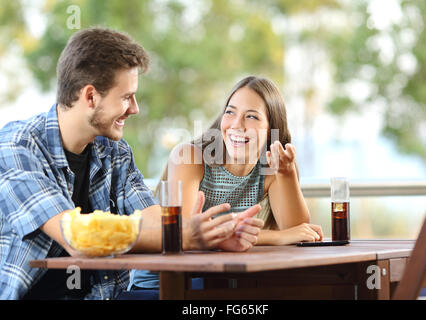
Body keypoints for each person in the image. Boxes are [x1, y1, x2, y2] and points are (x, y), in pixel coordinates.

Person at [0, 27, 264, 300]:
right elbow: (76, 236)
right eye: (126, 97)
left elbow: (153, 221)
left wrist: (213, 236)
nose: (135, 108)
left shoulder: (114, 151)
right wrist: (183, 236)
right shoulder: (17, 146)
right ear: (90, 96)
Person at [129, 76, 323, 291]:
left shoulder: (271, 166)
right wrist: (275, 238)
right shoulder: (190, 156)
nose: (236, 125)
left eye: (251, 117)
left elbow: (297, 230)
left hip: (218, 279)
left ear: (270, 129)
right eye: (230, 112)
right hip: (162, 284)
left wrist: (286, 175)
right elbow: (188, 233)